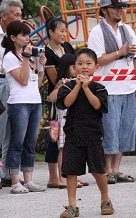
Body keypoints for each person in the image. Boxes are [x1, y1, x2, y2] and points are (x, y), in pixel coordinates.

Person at [88, 0, 136, 184]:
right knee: (109, 130)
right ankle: (106, 169)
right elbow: (96, 60)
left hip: (128, 86)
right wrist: (120, 53)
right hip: (107, 88)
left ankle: (116, 169)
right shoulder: (97, 31)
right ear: (104, 10)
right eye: (115, 7)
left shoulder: (127, 29)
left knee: (125, 129)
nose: (120, 10)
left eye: (121, 7)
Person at [57, 48, 113, 217]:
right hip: (73, 134)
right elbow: (66, 103)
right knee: (71, 171)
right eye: (80, 64)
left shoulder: (99, 88)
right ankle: (72, 205)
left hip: (93, 135)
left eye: (88, 63)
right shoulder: (67, 86)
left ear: (96, 67)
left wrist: (87, 88)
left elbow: (98, 106)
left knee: (98, 170)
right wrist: (78, 86)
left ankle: (105, 200)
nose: (84, 67)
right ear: (74, 67)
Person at [1, 21, 46, 193]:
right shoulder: (10, 57)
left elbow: (37, 83)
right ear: (13, 37)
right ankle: (14, 181)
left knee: (30, 143)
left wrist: (40, 66)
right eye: (24, 35)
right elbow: (23, 80)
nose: (28, 38)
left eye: (28, 34)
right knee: (17, 142)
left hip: (34, 102)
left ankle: (28, 180)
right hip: (19, 103)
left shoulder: (25, 57)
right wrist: (27, 59)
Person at [44, 17, 77, 189]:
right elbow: (54, 79)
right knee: (55, 138)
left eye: (65, 30)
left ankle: (69, 176)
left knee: (69, 139)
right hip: (57, 97)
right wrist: (66, 79)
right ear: (51, 32)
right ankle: (53, 177)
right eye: (61, 30)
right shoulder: (47, 52)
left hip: (71, 94)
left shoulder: (67, 47)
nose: (64, 34)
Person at [0, 0, 23, 188]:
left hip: (15, 85)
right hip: (0, 82)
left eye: (21, 15)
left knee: (11, 130)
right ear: (4, 15)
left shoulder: (18, 37)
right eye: (16, 15)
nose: (20, 19)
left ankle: (7, 173)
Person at [48, 54, 78, 190]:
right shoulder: (63, 82)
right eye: (74, 66)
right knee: (63, 149)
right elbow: (52, 97)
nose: (77, 68)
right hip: (64, 119)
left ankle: (71, 177)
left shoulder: (77, 81)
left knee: (73, 150)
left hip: (75, 119)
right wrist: (60, 86)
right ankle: (61, 178)